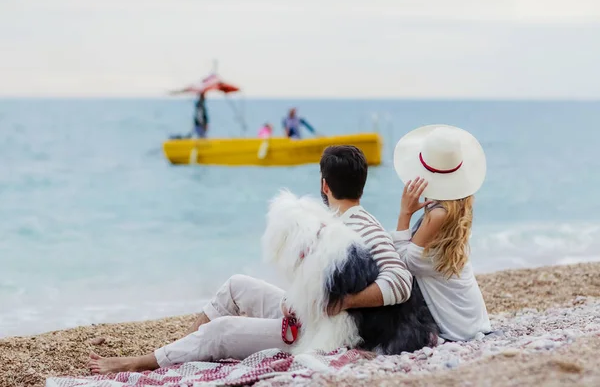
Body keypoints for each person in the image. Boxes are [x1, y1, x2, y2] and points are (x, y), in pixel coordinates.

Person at [88, 146, 412, 374]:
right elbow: (313, 287)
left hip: (325, 332)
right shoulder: (330, 224)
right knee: (236, 286)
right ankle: (178, 347)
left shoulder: (362, 227)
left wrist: (344, 302)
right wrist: (299, 300)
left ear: (323, 185)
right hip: (306, 316)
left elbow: (400, 282)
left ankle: (143, 362)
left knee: (222, 331)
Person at [390, 124, 491, 342]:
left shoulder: (438, 214)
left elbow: (407, 263)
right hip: (470, 317)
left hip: (457, 326)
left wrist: (405, 214)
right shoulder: (460, 203)